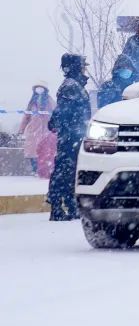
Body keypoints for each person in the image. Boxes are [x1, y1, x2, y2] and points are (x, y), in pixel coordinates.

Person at [46, 54, 91, 221]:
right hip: (71, 137)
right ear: (76, 67)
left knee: (68, 172)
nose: (84, 69)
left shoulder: (74, 85)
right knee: (64, 172)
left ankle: (69, 207)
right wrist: (59, 124)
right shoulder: (71, 86)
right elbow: (63, 111)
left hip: (73, 136)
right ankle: (58, 208)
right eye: (82, 66)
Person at [18, 82, 54, 176]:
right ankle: (35, 170)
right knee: (32, 152)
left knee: (44, 152)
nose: (39, 90)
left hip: (45, 130)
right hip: (33, 131)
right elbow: (26, 117)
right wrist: (21, 130)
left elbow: (55, 114)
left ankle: (42, 170)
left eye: (41, 88)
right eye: (37, 88)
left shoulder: (49, 101)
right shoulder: (32, 102)